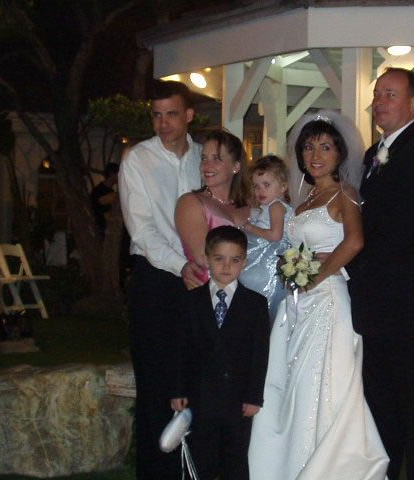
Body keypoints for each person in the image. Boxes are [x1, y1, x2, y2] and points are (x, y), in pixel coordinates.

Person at [249, 111, 389, 480]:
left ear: (340, 153)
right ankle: (293, 464)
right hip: (299, 302)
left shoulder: (345, 194)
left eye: (325, 147)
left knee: (324, 383)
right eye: (309, 147)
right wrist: (295, 270)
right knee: (295, 384)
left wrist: (315, 275)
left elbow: (354, 242)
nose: (316, 155)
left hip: (327, 299)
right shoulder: (305, 198)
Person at [348, 68, 414, 480]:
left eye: (390, 94)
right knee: (382, 408)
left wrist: (344, 261)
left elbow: (397, 231)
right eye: (377, 94)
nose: (379, 102)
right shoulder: (374, 154)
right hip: (377, 308)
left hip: (410, 307)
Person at [118, 80, 203, 479]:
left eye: (171, 114)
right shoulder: (138, 159)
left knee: (195, 381)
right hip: (156, 281)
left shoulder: (204, 157)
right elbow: (142, 229)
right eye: (156, 115)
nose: (163, 123)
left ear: (189, 115)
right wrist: (180, 265)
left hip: (201, 280)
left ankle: (192, 470)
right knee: (156, 387)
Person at [171, 225, 270, 480]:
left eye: (234, 260)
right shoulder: (191, 301)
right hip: (201, 395)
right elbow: (182, 350)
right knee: (202, 458)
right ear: (206, 259)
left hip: (237, 398)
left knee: (235, 460)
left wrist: (254, 397)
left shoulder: (255, 304)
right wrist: (179, 390)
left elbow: (259, 354)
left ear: (244, 262)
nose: (227, 266)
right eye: (219, 259)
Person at [175, 129, 251, 286]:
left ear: (236, 166)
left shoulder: (251, 205)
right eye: (204, 158)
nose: (207, 166)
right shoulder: (191, 203)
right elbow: (203, 258)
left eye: (216, 159)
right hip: (209, 293)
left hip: (255, 291)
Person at [239, 155, 293, 322]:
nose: (260, 191)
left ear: (283, 186)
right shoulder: (269, 206)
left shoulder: (276, 206)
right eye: (256, 186)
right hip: (265, 249)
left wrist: (251, 228)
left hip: (269, 254)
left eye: (266, 185)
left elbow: (276, 235)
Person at [90, 162, 119, 237]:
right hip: (102, 230)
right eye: (118, 174)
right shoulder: (98, 191)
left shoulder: (110, 191)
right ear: (112, 174)